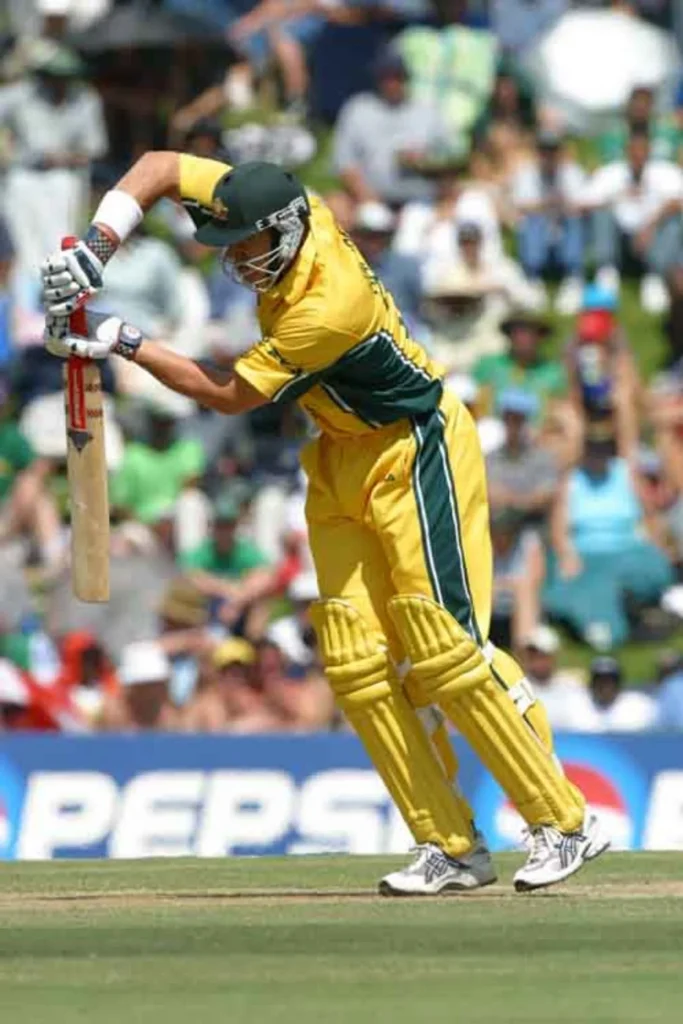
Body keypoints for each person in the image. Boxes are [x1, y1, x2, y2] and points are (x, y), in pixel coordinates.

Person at [39, 149, 608, 894]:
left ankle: (564, 823)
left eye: (246, 243)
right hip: (339, 455)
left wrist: (119, 338)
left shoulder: (328, 305)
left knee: (443, 647)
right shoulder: (273, 203)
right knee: (354, 661)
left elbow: (229, 394)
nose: (236, 259)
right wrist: (95, 250)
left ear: (282, 229)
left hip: (414, 447)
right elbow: (159, 165)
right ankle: (449, 845)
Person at [545, 433, 675, 648]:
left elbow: (650, 515)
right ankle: (605, 628)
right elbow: (558, 529)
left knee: (653, 569)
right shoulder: (571, 480)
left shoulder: (626, 473)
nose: (598, 455)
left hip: (628, 549)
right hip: (586, 553)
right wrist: (567, 555)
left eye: (603, 449)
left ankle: (630, 618)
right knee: (581, 582)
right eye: (593, 450)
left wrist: (657, 544)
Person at [0, 40, 108, 281]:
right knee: (24, 244)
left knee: (60, 241)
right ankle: (26, 290)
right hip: (23, 176)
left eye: (64, 77)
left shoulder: (85, 100)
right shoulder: (21, 95)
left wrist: (63, 157)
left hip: (64, 178)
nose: (58, 82)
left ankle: (57, 285)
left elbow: (96, 148)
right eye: (53, 76)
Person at [332, 49, 446, 219]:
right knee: (346, 208)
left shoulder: (427, 111)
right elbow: (345, 164)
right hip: (371, 200)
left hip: (420, 201)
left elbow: (451, 159)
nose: (391, 83)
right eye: (386, 77)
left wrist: (425, 160)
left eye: (397, 76)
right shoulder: (358, 109)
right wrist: (368, 198)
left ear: (406, 78)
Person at [585, 128, 683, 314]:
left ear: (649, 151)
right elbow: (586, 202)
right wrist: (615, 198)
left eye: (642, 150)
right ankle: (606, 272)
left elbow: (678, 203)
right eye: (633, 151)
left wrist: (649, 226)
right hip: (619, 237)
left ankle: (655, 276)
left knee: (673, 221)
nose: (638, 156)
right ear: (626, 151)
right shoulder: (611, 173)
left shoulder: (665, 173)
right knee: (601, 213)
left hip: (653, 240)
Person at [423, 220, 540, 371]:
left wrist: (502, 290)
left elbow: (532, 301)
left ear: (481, 243)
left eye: (473, 243)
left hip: (492, 336)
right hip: (457, 336)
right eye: (465, 243)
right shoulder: (448, 272)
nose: (469, 248)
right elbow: (431, 306)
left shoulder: (502, 269)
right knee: (441, 357)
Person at [511, 129, 587, 314]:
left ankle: (573, 279)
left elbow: (582, 205)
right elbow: (520, 205)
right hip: (539, 238)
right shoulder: (526, 173)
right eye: (544, 150)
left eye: (552, 150)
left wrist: (561, 204)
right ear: (538, 153)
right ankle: (533, 279)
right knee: (532, 220)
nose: (548, 155)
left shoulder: (573, 173)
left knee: (573, 219)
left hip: (564, 236)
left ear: (560, 152)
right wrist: (547, 204)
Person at [473, 310, 568, 423]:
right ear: (509, 335)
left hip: (537, 432)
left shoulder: (553, 372)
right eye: (519, 332)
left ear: (540, 337)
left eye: (530, 333)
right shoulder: (488, 366)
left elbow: (561, 413)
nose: (524, 338)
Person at [486, 388, 559, 525]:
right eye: (509, 418)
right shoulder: (490, 459)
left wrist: (510, 500)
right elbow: (489, 495)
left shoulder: (542, 459)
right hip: (497, 529)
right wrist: (526, 499)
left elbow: (545, 497)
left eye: (518, 419)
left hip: (531, 527)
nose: (513, 425)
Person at [559, 657, 658, 733]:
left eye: (610, 681)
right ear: (592, 684)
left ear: (619, 684)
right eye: (600, 681)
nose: (605, 686)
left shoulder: (639, 706)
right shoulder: (575, 705)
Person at [520, 625, 585, 732]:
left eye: (542, 655)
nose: (537, 661)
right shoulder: (518, 688)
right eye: (533, 656)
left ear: (554, 656)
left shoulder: (572, 687)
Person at [597, 85, 682, 165]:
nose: (641, 106)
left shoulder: (668, 135)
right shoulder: (613, 137)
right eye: (637, 102)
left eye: (645, 102)